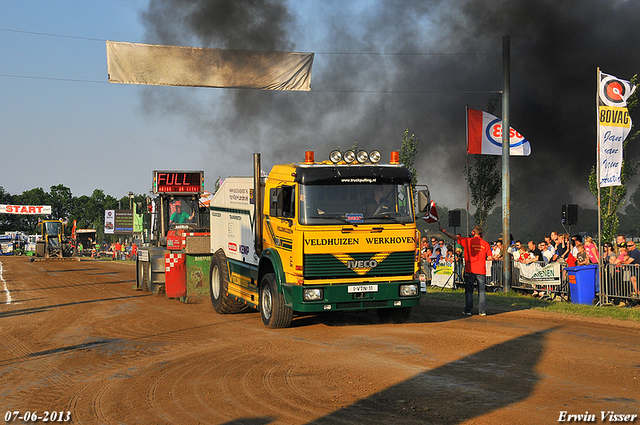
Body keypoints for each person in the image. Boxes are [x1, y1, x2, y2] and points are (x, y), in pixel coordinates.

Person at [440, 224, 492, 316]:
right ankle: (482, 311)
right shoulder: (486, 244)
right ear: (482, 234)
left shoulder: (468, 241)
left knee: (469, 291)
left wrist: (444, 231)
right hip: (481, 271)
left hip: (470, 270)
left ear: (473, 233)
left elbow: (454, 237)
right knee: (482, 291)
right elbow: (490, 258)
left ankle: (468, 310)